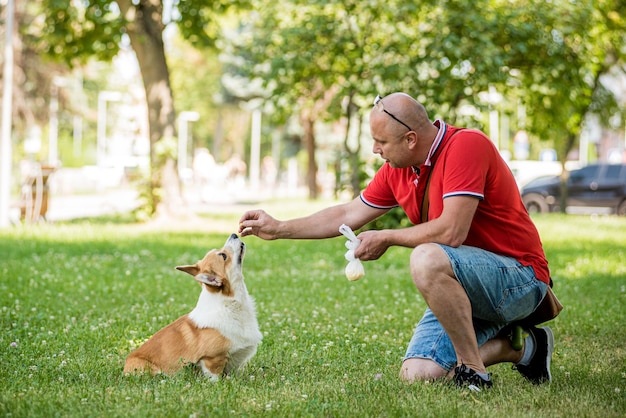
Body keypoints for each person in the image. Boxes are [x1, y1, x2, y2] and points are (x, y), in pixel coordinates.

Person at [238, 92, 554, 391]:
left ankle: (474, 372)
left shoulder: (467, 145)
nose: (376, 150)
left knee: (426, 258)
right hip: (466, 284)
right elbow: (349, 212)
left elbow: (451, 231)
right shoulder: (397, 170)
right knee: (418, 375)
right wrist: (279, 228)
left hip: (520, 278)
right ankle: (527, 347)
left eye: (380, 142)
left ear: (410, 139)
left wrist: (387, 237)